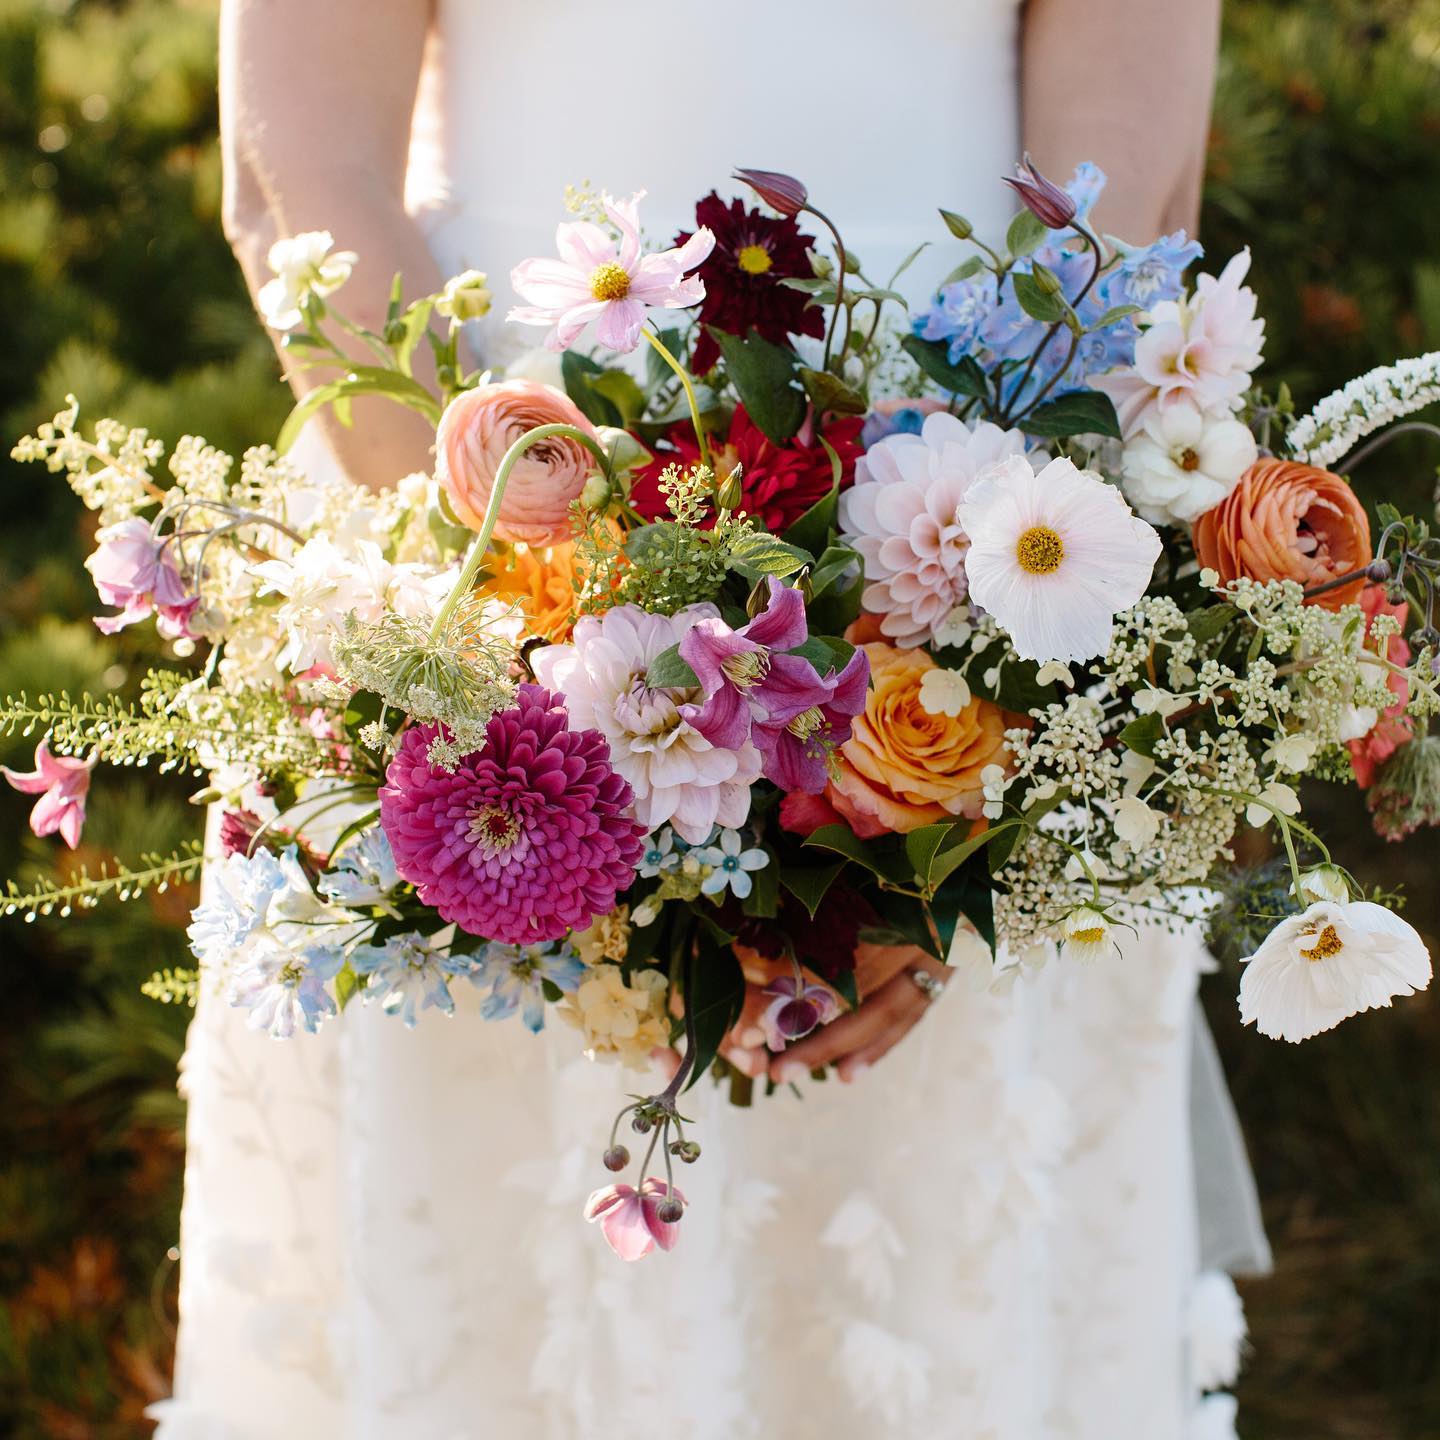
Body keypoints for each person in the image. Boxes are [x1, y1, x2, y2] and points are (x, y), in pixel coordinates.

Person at [152, 2, 1263, 1436]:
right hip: (459, 599)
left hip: (992, 595)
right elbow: (301, 175)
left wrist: (934, 810)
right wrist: (547, 692)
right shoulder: (493, 657)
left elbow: (1125, 212)